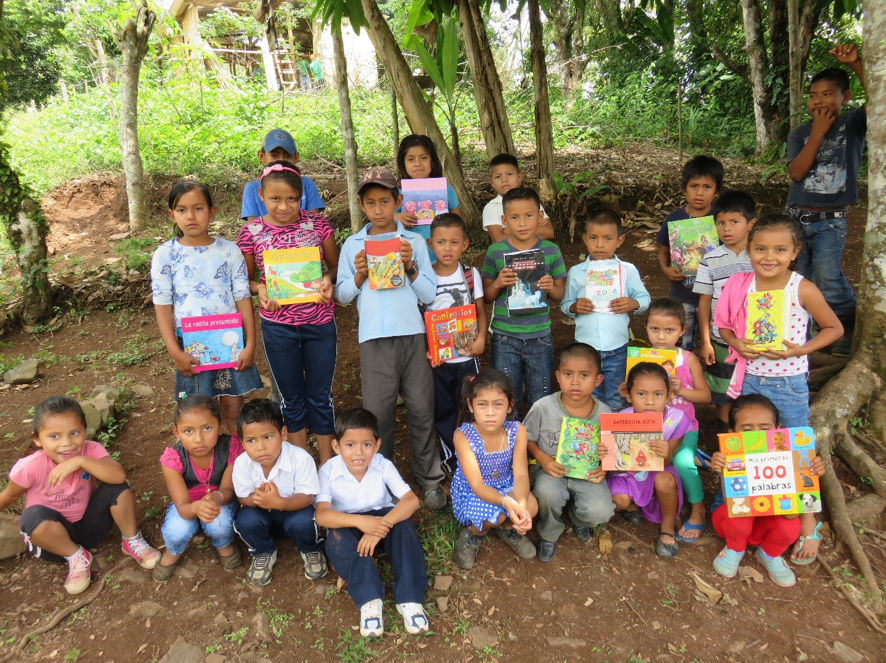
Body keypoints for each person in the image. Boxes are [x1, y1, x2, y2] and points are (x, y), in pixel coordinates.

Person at [336, 169, 447, 512]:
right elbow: (341, 295)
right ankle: (380, 482)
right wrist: (358, 275)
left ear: (398, 202)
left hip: (412, 336)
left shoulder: (413, 243)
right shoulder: (353, 245)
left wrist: (411, 267)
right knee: (378, 415)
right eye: (371, 203)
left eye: (385, 201)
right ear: (361, 205)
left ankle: (429, 478)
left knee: (421, 409)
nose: (379, 209)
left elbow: (429, 292)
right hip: (374, 340)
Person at [0, 397, 160, 594]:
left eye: (74, 433)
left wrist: (81, 461)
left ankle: (131, 540)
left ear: (85, 431)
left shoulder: (90, 450)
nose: (66, 443)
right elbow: (9, 495)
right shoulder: (29, 467)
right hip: (53, 543)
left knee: (117, 487)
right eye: (54, 436)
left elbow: (118, 475)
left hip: (90, 529)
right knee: (31, 516)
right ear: (37, 439)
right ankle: (75, 557)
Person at [237, 162, 339, 463]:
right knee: (291, 400)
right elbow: (246, 279)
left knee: (320, 397)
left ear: (301, 196)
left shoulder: (318, 226)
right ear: (261, 195)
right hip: (278, 327)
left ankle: (326, 467)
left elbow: (334, 267)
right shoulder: (251, 232)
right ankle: (302, 467)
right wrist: (261, 290)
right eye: (275, 199)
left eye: (292, 199)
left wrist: (327, 281)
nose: (284, 206)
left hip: (319, 325)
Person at [151, 181, 263, 436]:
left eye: (198, 208)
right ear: (172, 215)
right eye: (181, 210)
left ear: (211, 212)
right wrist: (175, 352)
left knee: (234, 408)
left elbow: (243, 297)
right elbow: (163, 306)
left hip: (230, 341)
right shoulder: (165, 255)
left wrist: (250, 343)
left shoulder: (229, 251)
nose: (190, 216)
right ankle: (207, 470)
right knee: (199, 412)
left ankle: (237, 467)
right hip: (190, 345)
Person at [715, 214, 843, 428]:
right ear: (749, 249)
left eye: (780, 250)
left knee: (793, 442)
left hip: (789, 381)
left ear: (795, 253)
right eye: (761, 249)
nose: (769, 257)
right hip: (749, 378)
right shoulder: (740, 284)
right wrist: (736, 343)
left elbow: (834, 328)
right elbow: (724, 327)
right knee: (752, 442)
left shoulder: (802, 288)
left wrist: (802, 350)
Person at [316, 409, 429, 638]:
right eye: (350, 445)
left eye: (366, 445)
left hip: (381, 519)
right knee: (336, 536)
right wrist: (362, 523)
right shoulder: (327, 470)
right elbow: (322, 515)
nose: (359, 453)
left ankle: (410, 597)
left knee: (403, 522)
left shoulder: (382, 464)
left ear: (376, 445)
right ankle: (369, 599)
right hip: (348, 522)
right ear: (336, 446)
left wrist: (379, 528)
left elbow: (411, 500)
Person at [786, 44, 866, 357]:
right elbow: (797, 173)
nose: (819, 101)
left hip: (831, 221)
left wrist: (857, 62)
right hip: (795, 218)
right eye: (813, 95)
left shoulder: (853, 125)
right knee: (798, 279)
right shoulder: (800, 133)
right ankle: (804, 336)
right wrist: (816, 133)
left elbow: (880, 99)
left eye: (827, 94)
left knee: (827, 277)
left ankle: (848, 324)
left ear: (844, 97)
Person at [709, 395, 826, 586]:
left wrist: (808, 475)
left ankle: (769, 553)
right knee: (737, 519)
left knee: (791, 527)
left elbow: (791, 515)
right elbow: (733, 505)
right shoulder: (729, 457)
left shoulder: (793, 457)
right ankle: (735, 549)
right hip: (732, 519)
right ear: (732, 433)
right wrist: (722, 469)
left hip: (767, 523)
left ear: (778, 429)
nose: (757, 436)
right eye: (747, 430)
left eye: (765, 428)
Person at [525, 343, 615, 562]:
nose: (575, 381)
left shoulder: (605, 413)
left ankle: (579, 519)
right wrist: (542, 458)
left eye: (584, 375)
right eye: (568, 374)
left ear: (598, 380)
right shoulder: (543, 407)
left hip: (587, 474)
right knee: (546, 494)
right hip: (551, 471)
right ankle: (549, 531)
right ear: (557, 376)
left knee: (600, 512)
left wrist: (604, 466)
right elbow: (526, 438)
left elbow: (613, 450)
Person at [482, 187, 567, 416]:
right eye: (514, 217)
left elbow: (560, 295)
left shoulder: (550, 251)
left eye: (529, 215)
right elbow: (486, 296)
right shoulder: (496, 252)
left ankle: (536, 447)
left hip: (539, 336)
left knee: (540, 395)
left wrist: (551, 288)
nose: (522, 223)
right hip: (505, 336)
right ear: (504, 220)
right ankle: (511, 444)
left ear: (540, 217)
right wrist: (498, 283)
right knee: (507, 396)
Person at [635, 299, 711, 543]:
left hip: (683, 426)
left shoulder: (687, 359)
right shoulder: (640, 358)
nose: (661, 336)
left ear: (682, 331)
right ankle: (643, 498)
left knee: (681, 461)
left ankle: (698, 508)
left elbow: (705, 396)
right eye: (654, 329)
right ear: (645, 328)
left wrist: (681, 391)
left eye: (669, 330)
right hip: (647, 427)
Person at [600, 363, 693, 559]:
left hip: (659, 470)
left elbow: (669, 460)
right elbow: (614, 459)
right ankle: (633, 506)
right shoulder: (620, 418)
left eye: (658, 394)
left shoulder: (677, 419)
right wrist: (605, 452)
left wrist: (665, 451)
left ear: (669, 394)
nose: (650, 402)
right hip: (627, 473)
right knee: (619, 500)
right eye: (641, 394)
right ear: (628, 394)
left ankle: (667, 525)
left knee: (665, 480)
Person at [561, 209, 651, 411]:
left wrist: (632, 303)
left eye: (607, 238)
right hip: (585, 348)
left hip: (617, 348)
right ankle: (590, 438)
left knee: (616, 395)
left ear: (619, 241)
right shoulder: (577, 272)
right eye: (593, 238)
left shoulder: (627, 270)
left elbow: (644, 298)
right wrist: (575, 307)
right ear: (584, 239)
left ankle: (611, 439)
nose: (600, 244)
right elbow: (565, 305)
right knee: (587, 395)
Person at [232, 399, 328, 586]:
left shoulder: (300, 459)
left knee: (305, 520)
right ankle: (263, 551)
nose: (260, 446)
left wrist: (278, 503)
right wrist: (262, 500)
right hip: (262, 515)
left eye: (267, 437)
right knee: (245, 520)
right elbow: (243, 496)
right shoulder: (242, 463)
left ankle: (310, 548)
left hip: (293, 511)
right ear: (242, 443)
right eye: (251, 440)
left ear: (283, 434)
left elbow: (306, 497)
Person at [451, 369, 538, 569]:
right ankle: (474, 533)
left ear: (510, 406)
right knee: (494, 515)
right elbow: (477, 484)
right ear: (471, 406)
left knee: (531, 507)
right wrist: (507, 502)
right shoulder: (463, 436)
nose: (490, 412)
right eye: (482, 404)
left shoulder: (517, 431)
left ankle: (508, 529)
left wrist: (521, 505)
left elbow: (522, 474)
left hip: (506, 484)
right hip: (475, 491)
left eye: (498, 404)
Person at [153, 394, 242, 582]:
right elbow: (183, 506)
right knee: (176, 531)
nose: (199, 439)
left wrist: (216, 498)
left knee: (220, 525)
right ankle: (174, 549)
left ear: (221, 426)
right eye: (188, 431)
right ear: (176, 432)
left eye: (207, 428)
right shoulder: (173, 459)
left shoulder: (231, 447)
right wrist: (195, 508)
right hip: (187, 505)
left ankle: (222, 542)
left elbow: (228, 490)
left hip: (220, 501)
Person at [425, 213, 488, 473]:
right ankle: (452, 458)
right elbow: (421, 317)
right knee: (444, 408)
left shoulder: (470, 275)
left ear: (466, 244)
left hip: (467, 357)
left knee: (470, 406)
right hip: (440, 360)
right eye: (441, 242)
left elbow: (481, 310)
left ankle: (475, 456)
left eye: (454, 242)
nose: (447, 248)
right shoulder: (425, 277)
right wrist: (428, 350)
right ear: (430, 244)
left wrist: (482, 338)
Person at [694, 191, 757, 428]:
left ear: (751, 224)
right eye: (721, 222)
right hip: (721, 340)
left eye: (734, 222)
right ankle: (728, 443)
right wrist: (706, 341)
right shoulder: (710, 259)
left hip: (755, 342)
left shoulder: (760, 258)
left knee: (752, 391)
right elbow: (704, 301)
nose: (726, 228)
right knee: (723, 393)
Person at [655, 155, 724, 350]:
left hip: (715, 297)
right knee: (683, 345)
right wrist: (665, 269)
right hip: (683, 295)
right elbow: (663, 249)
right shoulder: (674, 218)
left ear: (716, 190)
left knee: (716, 344)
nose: (699, 193)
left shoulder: (722, 219)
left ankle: (711, 378)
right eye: (694, 186)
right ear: (685, 187)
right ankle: (684, 379)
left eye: (707, 187)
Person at [241, 129, 325, 220]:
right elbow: (252, 227)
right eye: (274, 156)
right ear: (262, 156)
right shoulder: (252, 188)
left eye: (288, 156)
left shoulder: (306, 183)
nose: (281, 160)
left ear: (296, 157)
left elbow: (315, 223)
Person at [394, 134, 462, 247]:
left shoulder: (446, 190)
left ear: (432, 161)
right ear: (403, 163)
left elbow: (458, 221)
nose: (417, 163)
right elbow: (384, 225)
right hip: (410, 257)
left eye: (424, 158)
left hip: (441, 256)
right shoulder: (398, 194)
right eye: (411, 159)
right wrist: (394, 218)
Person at [482, 153, 553, 244]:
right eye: (498, 177)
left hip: (535, 255)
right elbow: (499, 239)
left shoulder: (530, 201)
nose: (504, 180)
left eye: (509, 174)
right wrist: (534, 228)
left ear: (519, 177)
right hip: (506, 256)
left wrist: (507, 230)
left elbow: (549, 232)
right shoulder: (492, 207)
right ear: (492, 183)